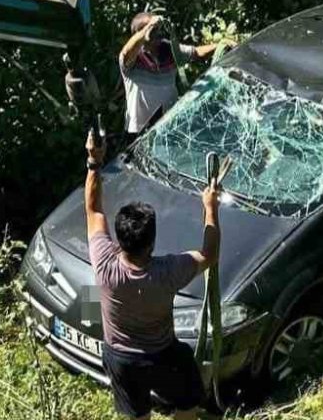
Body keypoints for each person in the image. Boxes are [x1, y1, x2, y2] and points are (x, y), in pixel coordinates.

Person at [84, 128, 221, 419]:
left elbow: (94, 211)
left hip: (120, 359)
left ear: (119, 239)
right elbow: (209, 255)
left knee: (137, 415)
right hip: (163, 357)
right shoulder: (168, 271)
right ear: (152, 242)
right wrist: (210, 209)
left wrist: (94, 161)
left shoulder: (104, 263)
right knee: (188, 405)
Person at [119, 11, 231, 135]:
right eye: (153, 28)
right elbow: (126, 52)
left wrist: (222, 44)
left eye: (158, 28)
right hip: (138, 132)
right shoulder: (132, 59)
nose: (157, 32)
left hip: (168, 129)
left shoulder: (169, 49)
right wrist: (148, 28)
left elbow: (197, 53)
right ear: (137, 33)